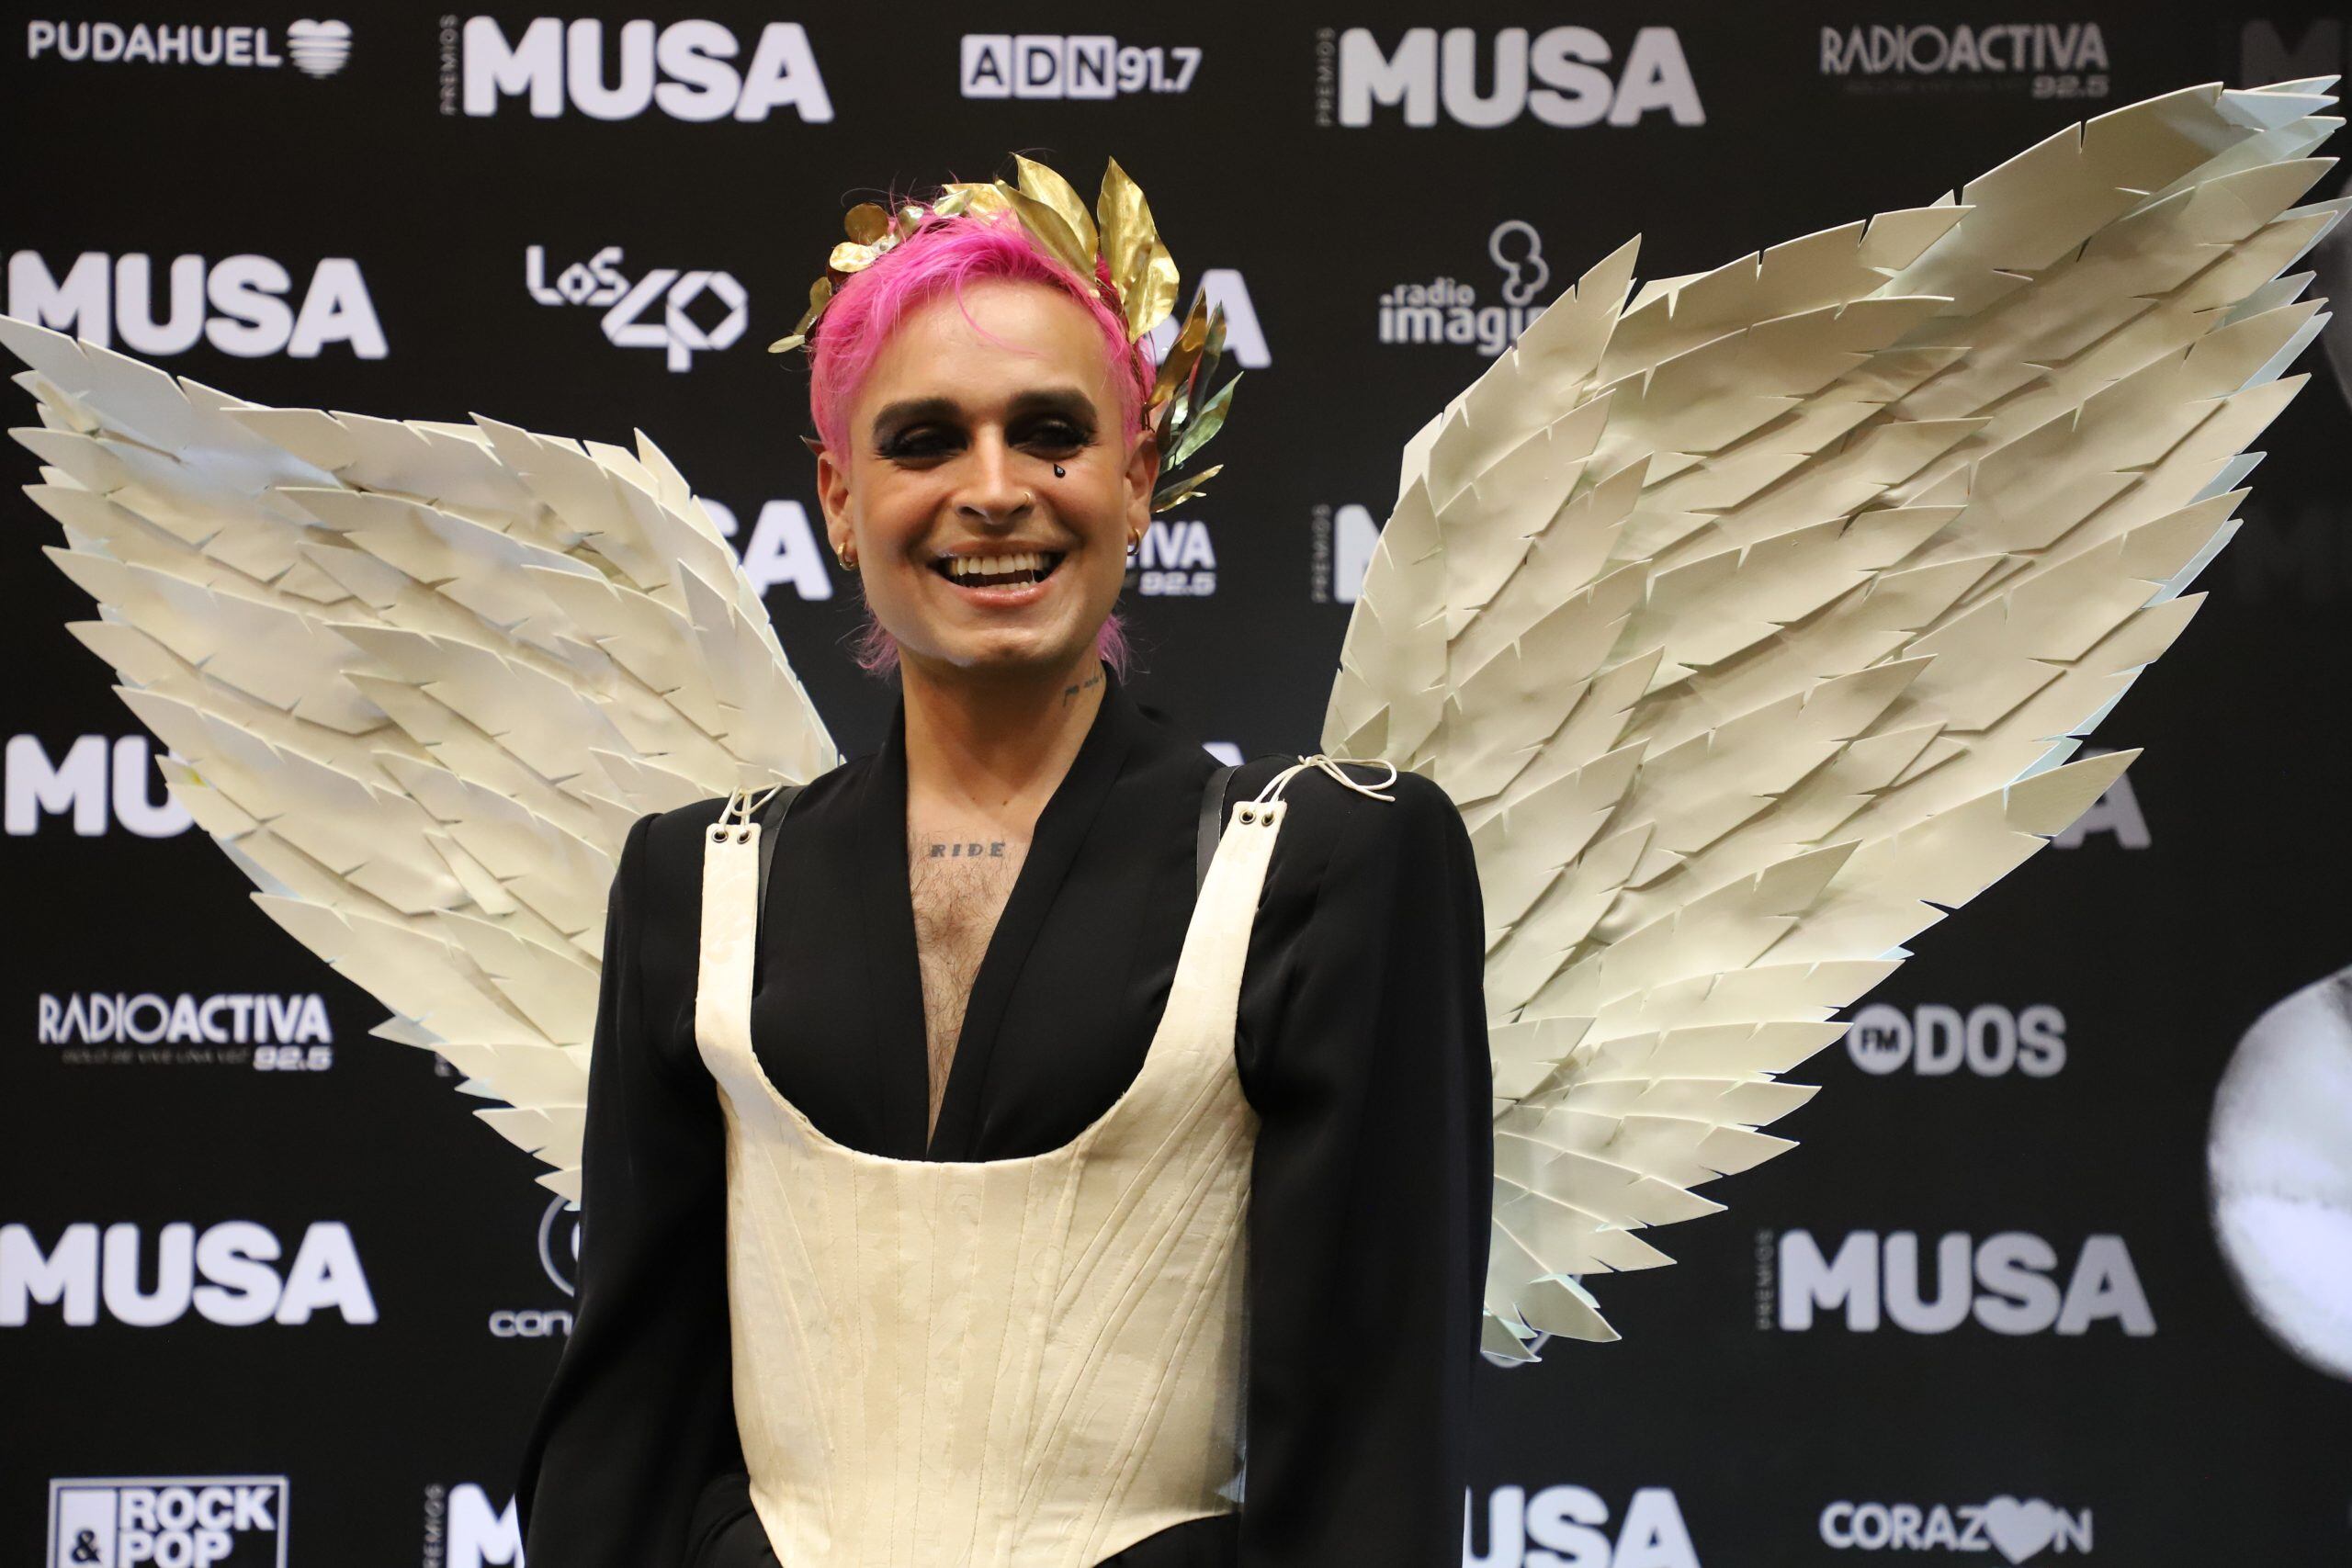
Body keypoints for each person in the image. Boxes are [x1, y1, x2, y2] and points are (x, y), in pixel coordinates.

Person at [512, 187, 1494, 1565]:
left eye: (1050, 433)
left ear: (1137, 480)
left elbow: (1367, 1464)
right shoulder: (695, 882)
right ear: (840, 501)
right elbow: (622, 1444)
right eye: (924, 440)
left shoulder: (1332, 867)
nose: (992, 490)